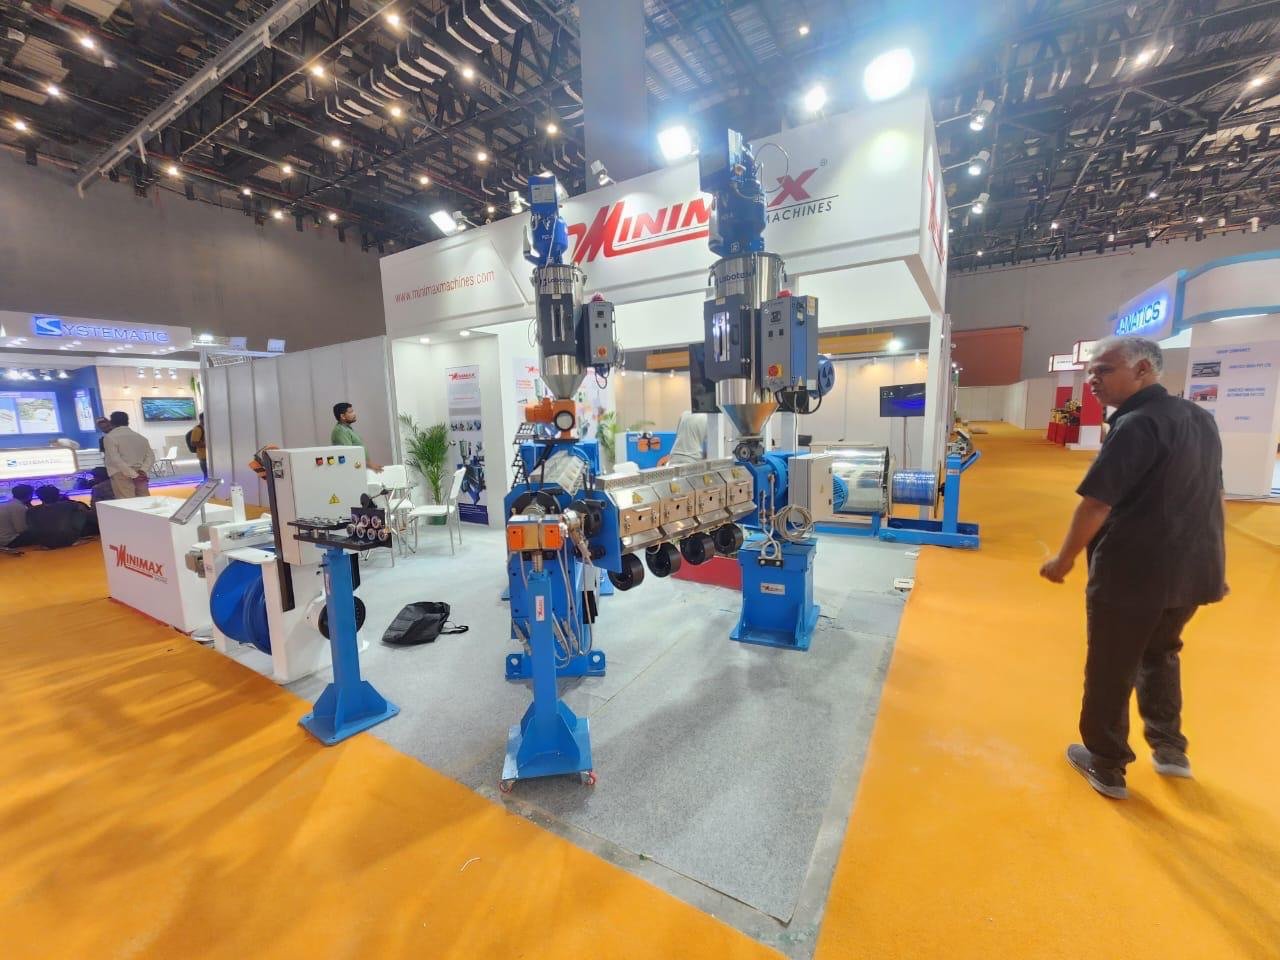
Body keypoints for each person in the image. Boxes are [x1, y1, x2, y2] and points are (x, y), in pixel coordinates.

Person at [1039, 336, 1226, 800]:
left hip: (1134, 572)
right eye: (1090, 372)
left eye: (1103, 370)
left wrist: (1063, 559)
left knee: (1111, 664)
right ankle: (1169, 748)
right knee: (1161, 652)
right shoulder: (1199, 419)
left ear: (1143, 370)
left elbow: (1096, 503)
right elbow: (1213, 495)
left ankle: (1105, 763)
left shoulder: (1136, 424)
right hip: (1192, 569)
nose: (1092, 380)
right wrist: (1211, 562)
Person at [102, 410, 155, 498]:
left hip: (121, 473)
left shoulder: (110, 437)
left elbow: (115, 459)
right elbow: (151, 457)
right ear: (127, 422)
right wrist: (142, 471)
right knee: (144, 499)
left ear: (112, 423)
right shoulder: (141, 438)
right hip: (140, 472)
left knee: (127, 501)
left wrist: (134, 475)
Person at [26, 485, 94, 548]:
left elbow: (32, 527)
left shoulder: (32, 510)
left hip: (45, 542)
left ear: (40, 497)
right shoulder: (69, 505)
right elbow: (84, 511)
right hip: (69, 538)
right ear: (58, 495)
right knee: (79, 512)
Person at [331, 402, 382, 470]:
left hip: (360, 468)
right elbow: (349, 455)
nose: (354, 414)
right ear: (343, 416)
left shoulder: (347, 429)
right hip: (355, 470)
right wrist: (369, 465)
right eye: (350, 412)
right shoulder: (340, 431)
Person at [0, 484, 35, 550]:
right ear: (29, 495)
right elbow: (21, 529)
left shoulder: (7, 504)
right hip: (9, 541)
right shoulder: (19, 507)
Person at [188, 413, 208, 479]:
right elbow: (193, 443)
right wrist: (207, 445)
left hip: (209, 457)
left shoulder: (207, 428)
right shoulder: (197, 429)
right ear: (201, 419)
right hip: (203, 457)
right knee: (207, 476)